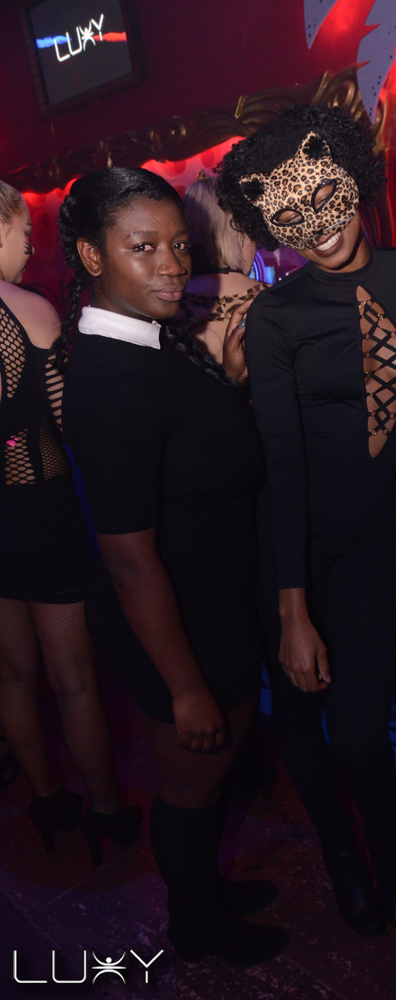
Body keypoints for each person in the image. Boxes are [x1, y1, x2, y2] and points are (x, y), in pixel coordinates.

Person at [217, 104, 396, 936]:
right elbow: (282, 466)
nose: (316, 225)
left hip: (371, 543)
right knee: (303, 725)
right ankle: (340, 854)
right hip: (289, 546)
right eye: (289, 216)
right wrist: (292, 610)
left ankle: (383, 846)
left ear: (354, 176)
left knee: (357, 733)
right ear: (267, 224)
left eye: (325, 196)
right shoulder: (276, 318)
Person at [54, 167, 288, 966]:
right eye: (142, 247)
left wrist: (228, 384)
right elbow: (126, 558)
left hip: (206, 601)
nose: (170, 265)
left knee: (212, 777)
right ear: (92, 255)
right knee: (192, 784)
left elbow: (184, 445)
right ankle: (194, 923)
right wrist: (184, 686)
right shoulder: (110, 377)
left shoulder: (150, 340)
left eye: (179, 245)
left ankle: (207, 891)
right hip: (172, 621)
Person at [0, 179, 140, 859]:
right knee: (74, 679)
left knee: (12, 675)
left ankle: (46, 799)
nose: (30, 247)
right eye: (23, 232)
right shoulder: (31, 310)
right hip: (42, 515)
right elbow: (71, 424)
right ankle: (106, 814)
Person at [178, 174, 265, 363]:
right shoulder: (274, 300)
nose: (255, 245)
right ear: (240, 232)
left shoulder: (166, 304)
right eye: (253, 232)